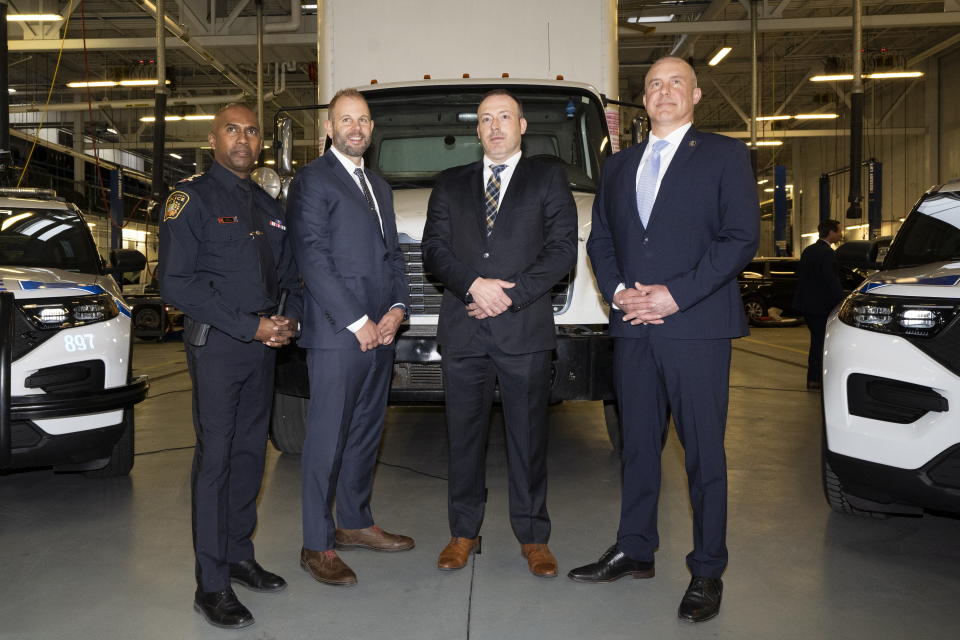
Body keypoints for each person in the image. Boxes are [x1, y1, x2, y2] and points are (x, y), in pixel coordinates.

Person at [574, 57, 759, 623]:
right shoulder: (620, 165)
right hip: (633, 327)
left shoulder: (726, 156)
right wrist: (620, 290)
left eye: (675, 82)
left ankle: (707, 569)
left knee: (703, 453)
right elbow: (600, 238)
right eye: (653, 84)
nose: (664, 91)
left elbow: (739, 238)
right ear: (643, 100)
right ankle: (635, 548)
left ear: (697, 94)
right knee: (638, 449)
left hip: (696, 327)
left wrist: (676, 296)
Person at [422, 89, 577, 578]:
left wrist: (510, 295)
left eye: (504, 117)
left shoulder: (549, 179)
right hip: (465, 333)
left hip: (523, 330)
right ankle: (463, 532)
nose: (494, 126)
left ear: (522, 126)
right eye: (486, 119)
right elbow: (433, 251)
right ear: (477, 129)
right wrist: (473, 284)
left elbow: (562, 251)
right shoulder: (449, 184)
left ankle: (534, 537)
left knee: (527, 439)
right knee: (462, 438)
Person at [158, 103, 301, 630]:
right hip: (219, 347)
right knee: (216, 460)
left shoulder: (266, 204)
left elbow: (287, 273)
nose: (243, 138)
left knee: (248, 455)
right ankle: (210, 583)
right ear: (214, 139)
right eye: (231, 130)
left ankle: (240, 555)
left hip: (264, 347)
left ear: (260, 141)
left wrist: (286, 320)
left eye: (251, 130)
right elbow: (175, 283)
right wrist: (250, 325)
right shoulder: (189, 199)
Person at [286, 88, 413, 588]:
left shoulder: (378, 186)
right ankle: (316, 543)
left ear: (371, 129)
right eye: (346, 120)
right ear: (329, 129)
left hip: (381, 332)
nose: (356, 128)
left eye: (363, 120)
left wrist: (398, 311)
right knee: (326, 438)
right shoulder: (313, 181)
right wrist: (358, 322)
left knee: (365, 432)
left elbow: (393, 256)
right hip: (340, 335)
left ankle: (356, 522)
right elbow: (312, 258)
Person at [793, 219, 844, 390]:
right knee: (821, 343)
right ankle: (816, 379)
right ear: (831, 233)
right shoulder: (828, 253)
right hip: (822, 307)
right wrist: (840, 301)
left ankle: (814, 378)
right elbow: (831, 281)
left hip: (807, 306)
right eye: (838, 231)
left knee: (816, 341)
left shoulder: (808, 251)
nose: (840, 234)